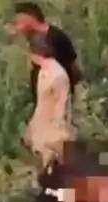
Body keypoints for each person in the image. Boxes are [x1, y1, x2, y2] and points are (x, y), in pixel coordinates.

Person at [23, 33, 75, 171]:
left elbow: (62, 107)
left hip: (53, 135)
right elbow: (42, 102)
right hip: (42, 130)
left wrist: (58, 136)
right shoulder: (43, 72)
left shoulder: (58, 75)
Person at [13, 3, 81, 105]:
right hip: (41, 97)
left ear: (29, 17)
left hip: (58, 96)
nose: (18, 26)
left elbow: (72, 65)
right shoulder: (30, 38)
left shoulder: (56, 37)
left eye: (20, 21)